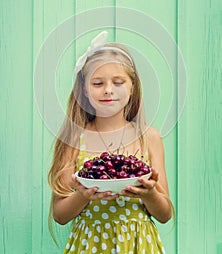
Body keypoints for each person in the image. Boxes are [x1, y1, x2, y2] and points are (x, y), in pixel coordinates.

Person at [48, 31, 173, 254]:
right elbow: (59, 215)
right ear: (85, 90)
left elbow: (164, 214)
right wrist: (82, 195)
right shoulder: (74, 139)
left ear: (132, 86)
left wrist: (150, 194)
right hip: (90, 245)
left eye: (118, 82)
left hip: (139, 245)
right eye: (97, 83)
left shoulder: (149, 137)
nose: (108, 90)